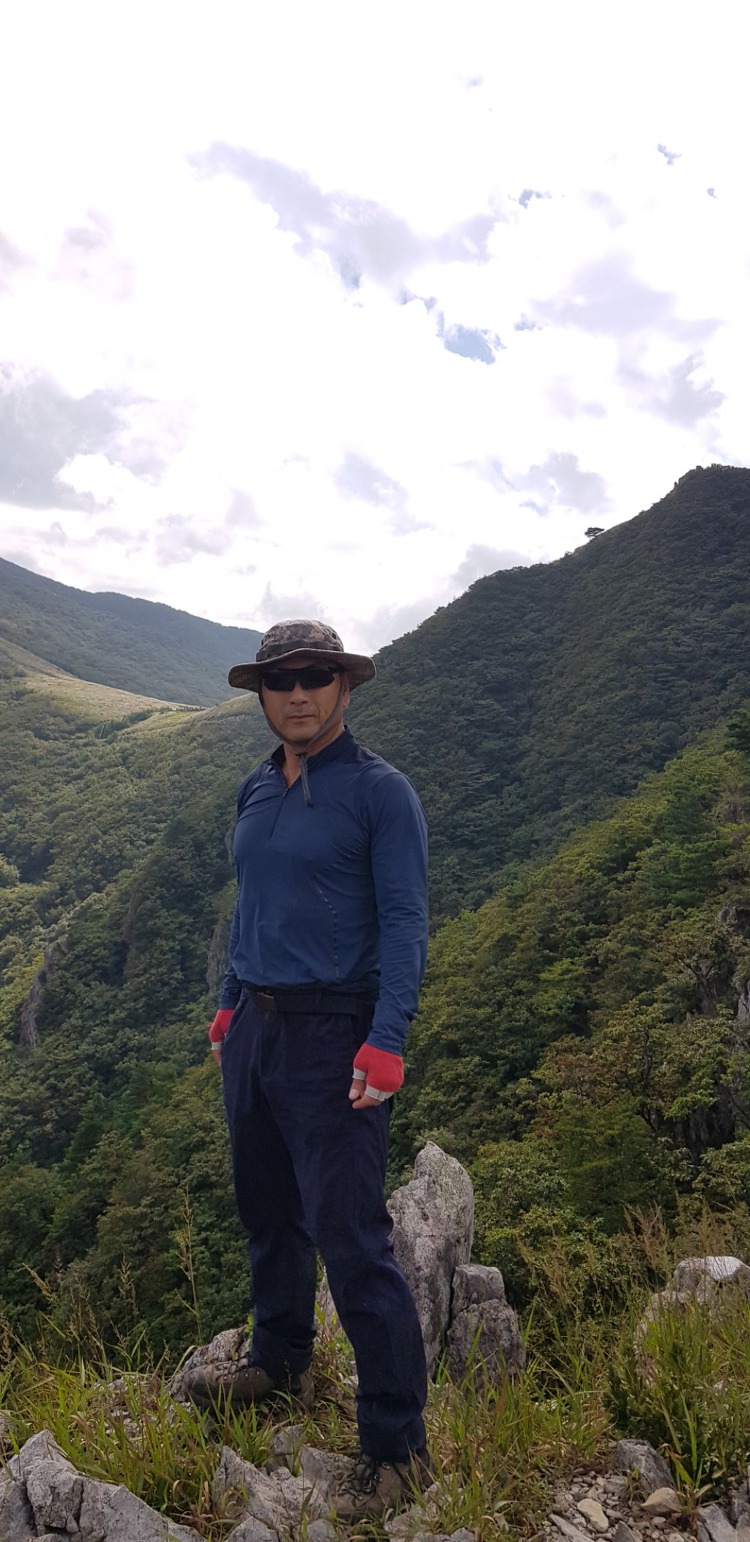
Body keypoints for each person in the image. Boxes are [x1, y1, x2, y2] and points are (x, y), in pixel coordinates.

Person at [191, 619, 431, 1520]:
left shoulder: (379, 792)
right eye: (280, 680)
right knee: (268, 1211)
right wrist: (228, 1001)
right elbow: (251, 902)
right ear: (260, 694)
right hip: (255, 1028)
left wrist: (388, 1038)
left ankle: (397, 1447)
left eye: (315, 677)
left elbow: (405, 919)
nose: (298, 694)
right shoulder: (256, 787)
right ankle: (280, 1361)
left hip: (337, 1031)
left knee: (351, 1238)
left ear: (343, 686)